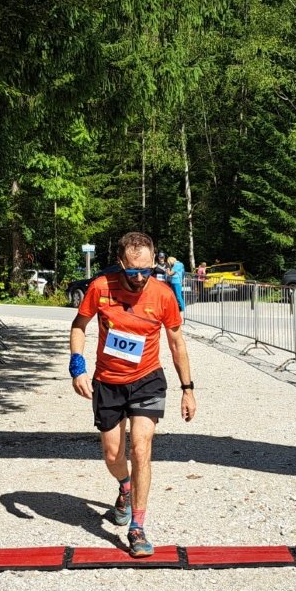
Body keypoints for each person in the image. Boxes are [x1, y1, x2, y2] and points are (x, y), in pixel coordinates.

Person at [69, 232, 196, 557]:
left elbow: (177, 343)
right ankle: (125, 487)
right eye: (132, 271)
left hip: (147, 379)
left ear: (155, 263)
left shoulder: (163, 294)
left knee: (141, 448)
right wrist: (77, 365)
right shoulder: (101, 287)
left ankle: (137, 527)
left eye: (146, 270)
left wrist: (187, 389)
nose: (140, 278)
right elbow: (79, 326)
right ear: (120, 264)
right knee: (113, 455)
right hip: (108, 382)